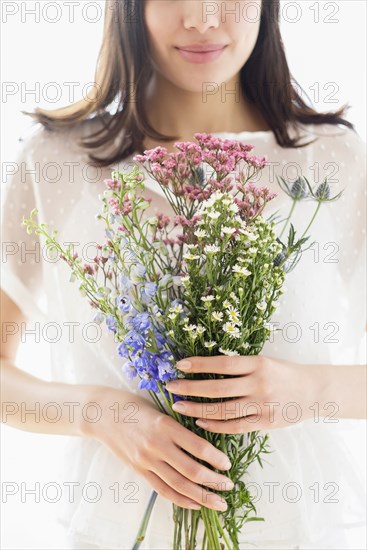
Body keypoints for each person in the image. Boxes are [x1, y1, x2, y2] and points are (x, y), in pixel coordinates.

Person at [1, 1, 366, 548]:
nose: (202, 18)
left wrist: (309, 389)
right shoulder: (58, 161)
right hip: (118, 530)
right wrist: (97, 412)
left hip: (290, 526)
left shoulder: (329, 160)